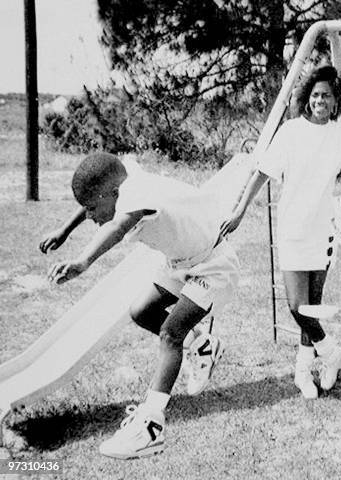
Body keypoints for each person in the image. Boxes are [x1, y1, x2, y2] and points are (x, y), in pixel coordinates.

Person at [40, 153, 239, 459]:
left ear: (113, 195)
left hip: (213, 265)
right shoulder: (122, 177)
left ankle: (150, 427)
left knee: (171, 334)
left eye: (93, 209)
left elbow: (117, 228)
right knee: (142, 311)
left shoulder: (136, 194)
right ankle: (203, 345)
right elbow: (98, 200)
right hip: (180, 262)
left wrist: (82, 262)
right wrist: (64, 231)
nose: (91, 216)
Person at [220, 65, 341, 399]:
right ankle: (332, 353)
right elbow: (262, 173)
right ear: (308, 98)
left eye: (327, 96)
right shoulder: (290, 132)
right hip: (292, 230)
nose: (321, 101)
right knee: (297, 306)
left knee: (312, 306)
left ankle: (304, 373)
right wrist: (240, 210)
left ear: (335, 103)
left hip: (324, 231)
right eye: (316, 95)